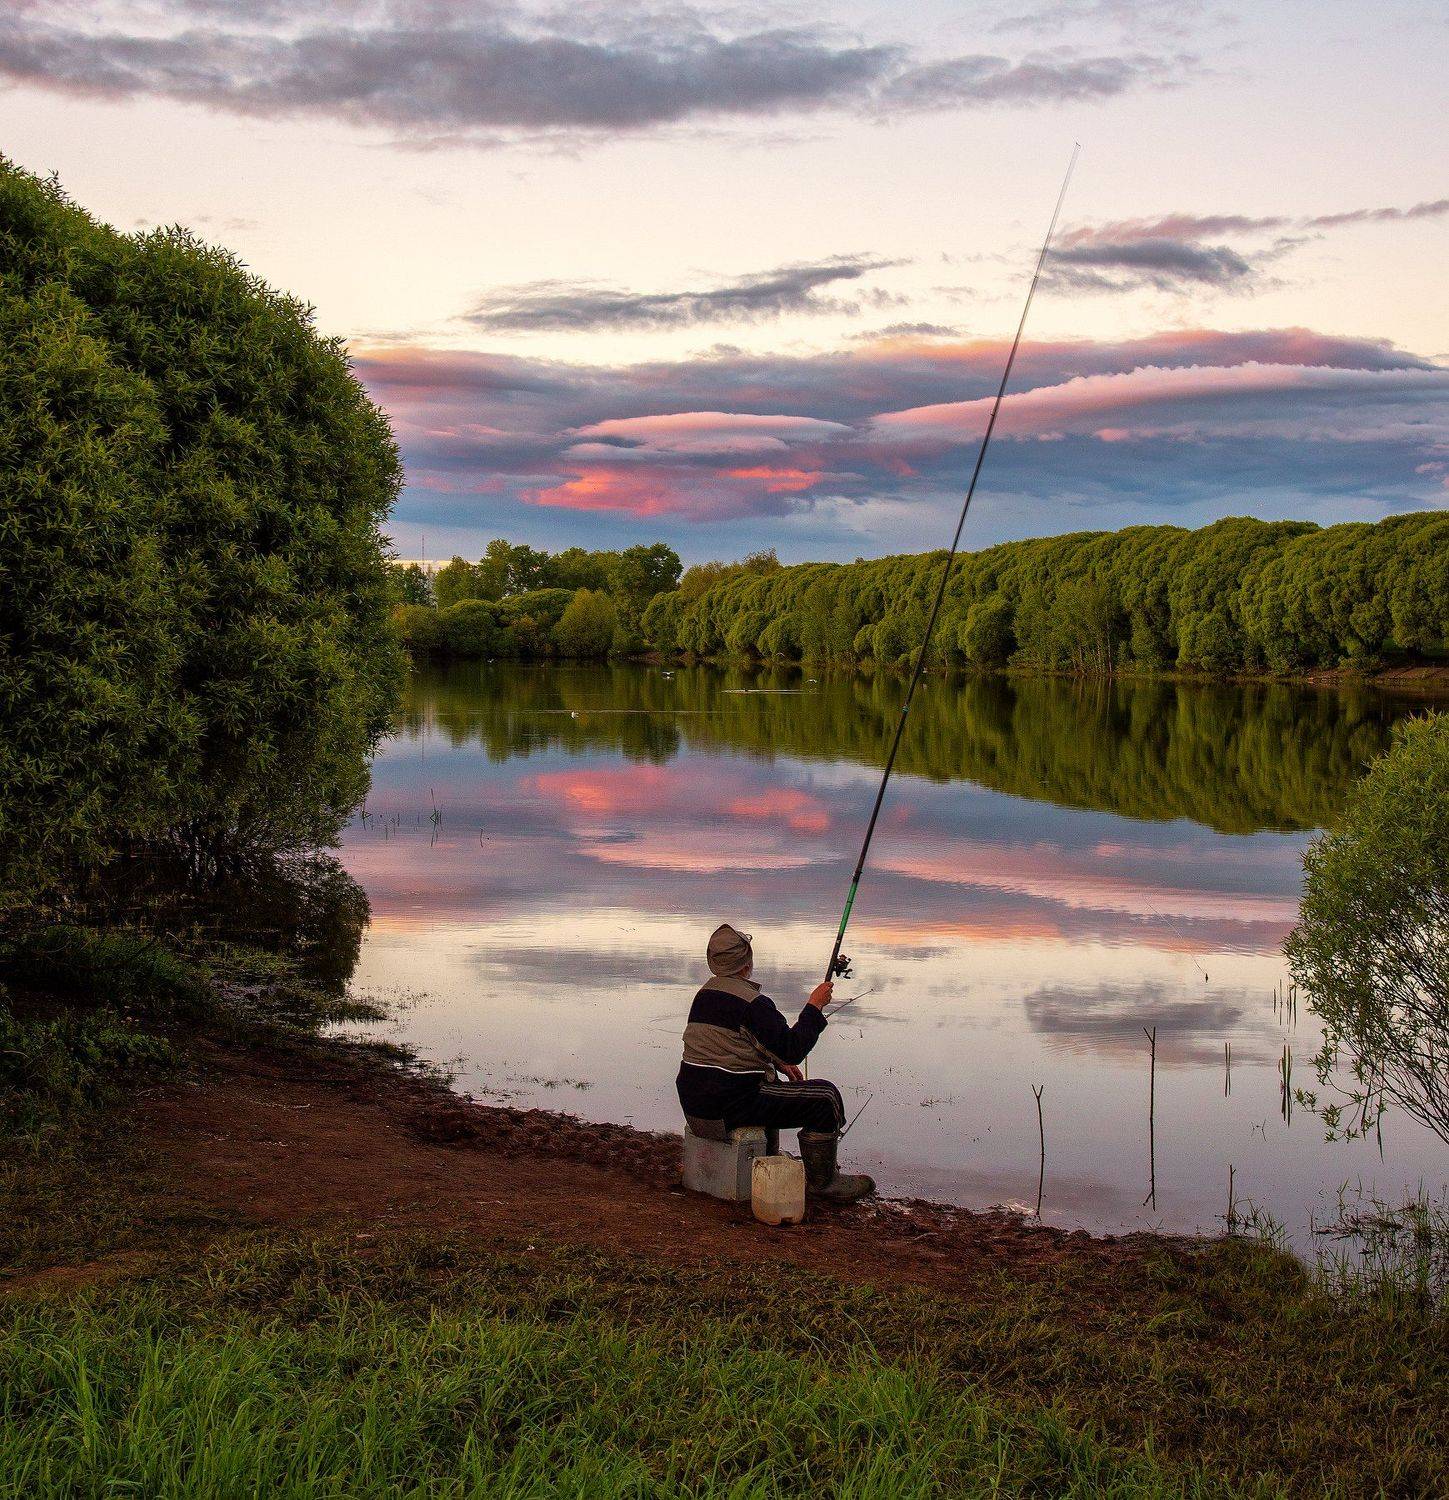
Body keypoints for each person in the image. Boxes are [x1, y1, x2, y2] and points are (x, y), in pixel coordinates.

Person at [676, 922, 874, 1203]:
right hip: (727, 1107)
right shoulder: (753, 1003)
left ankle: (770, 1158)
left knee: (771, 1081)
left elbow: (730, 1045)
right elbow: (793, 1049)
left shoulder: (705, 995)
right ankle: (824, 1183)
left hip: (696, 1106)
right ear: (747, 963)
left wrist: (776, 1062)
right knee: (825, 1097)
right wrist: (814, 1006)